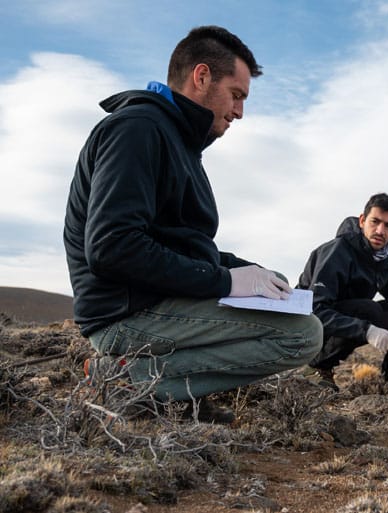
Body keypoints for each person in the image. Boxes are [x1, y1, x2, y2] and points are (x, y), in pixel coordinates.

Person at [63, 26, 323, 423]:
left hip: (153, 300)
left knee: (277, 288)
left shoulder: (178, 141)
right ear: (201, 77)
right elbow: (112, 247)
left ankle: (173, 393)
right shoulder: (137, 130)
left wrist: (244, 270)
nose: (239, 112)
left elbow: (181, 242)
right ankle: (126, 379)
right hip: (125, 314)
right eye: (236, 96)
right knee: (302, 333)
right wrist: (226, 282)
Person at [296, 193, 388, 389]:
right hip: (306, 330)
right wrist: (367, 330)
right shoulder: (336, 252)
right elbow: (315, 308)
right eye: (375, 222)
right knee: (369, 310)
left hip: (346, 319)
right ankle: (317, 367)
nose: (380, 230)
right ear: (362, 221)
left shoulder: (385, 258)